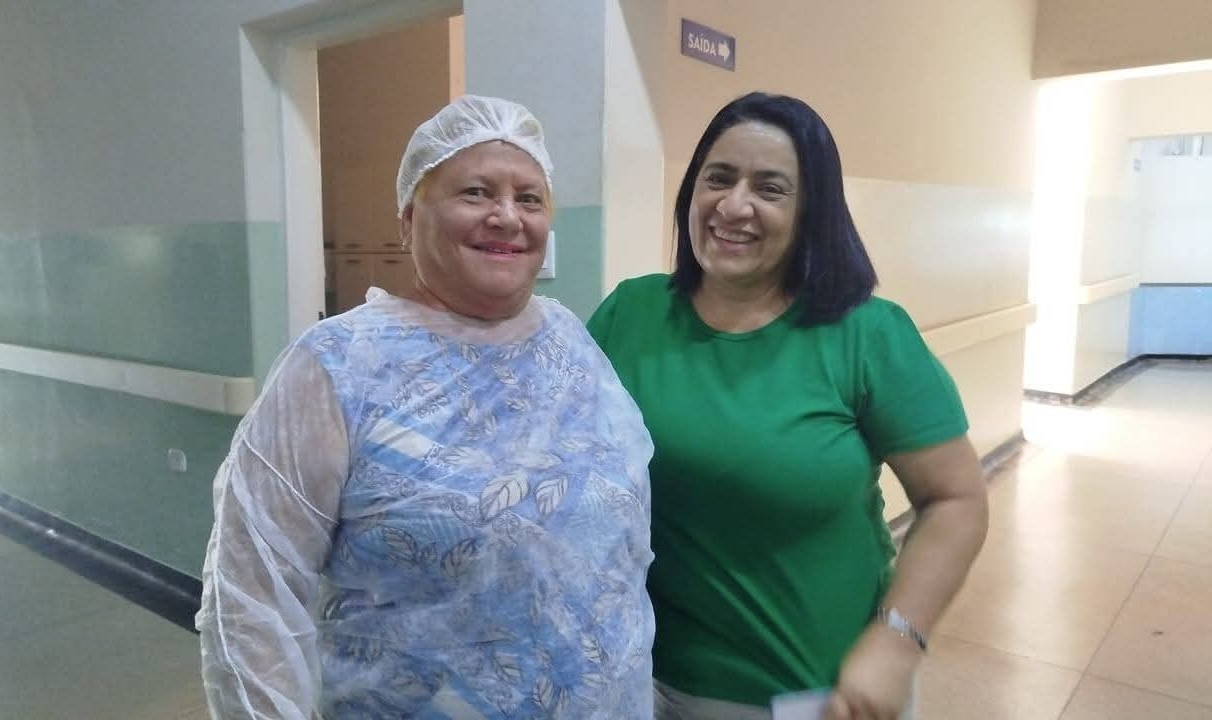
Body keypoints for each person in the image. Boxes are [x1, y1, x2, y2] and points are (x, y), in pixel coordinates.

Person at [196, 95, 655, 719]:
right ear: (409, 218)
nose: (506, 216)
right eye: (475, 193)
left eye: (529, 199)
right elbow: (251, 600)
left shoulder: (570, 343)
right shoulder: (337, 368)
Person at [588, 92, 988, 720]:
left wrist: (897, 641)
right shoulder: (628, 314)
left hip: (814, 696)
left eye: (770, 188)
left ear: (811, 214)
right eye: (718, 178)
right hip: (639, 678)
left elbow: (956, 501)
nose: (734, 205)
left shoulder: (866, 334)